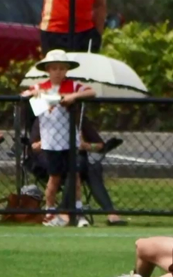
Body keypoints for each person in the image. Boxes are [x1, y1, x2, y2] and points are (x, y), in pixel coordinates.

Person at [20, 49, 96, 227]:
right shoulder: (40, 87)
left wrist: (73, 97)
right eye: (54, 68)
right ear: (48, 70)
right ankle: (50, 211)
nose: (58, 72)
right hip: (50, 141)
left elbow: (91, 92)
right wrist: (35, 94)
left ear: (67, 70)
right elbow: (24, 95)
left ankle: (78, 211)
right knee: (54, 177)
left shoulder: (74, 86)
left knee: (75, 175)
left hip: (70, 141)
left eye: (62, 68)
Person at [29, 116, 127, 227]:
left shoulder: (78, 118)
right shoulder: (45, 118)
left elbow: (100, 146)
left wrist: (85, 145)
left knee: (90, 168)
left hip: (77, 160)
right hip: (49, 159)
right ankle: (74, 213)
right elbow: (34, 146)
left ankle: (69, 212)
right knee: (76, 165)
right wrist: (57, 139)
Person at [39, 0, 107, 55]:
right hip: (55, 30)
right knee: (57, 69)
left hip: (86, 31)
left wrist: (97, 35)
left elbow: (99, 5)